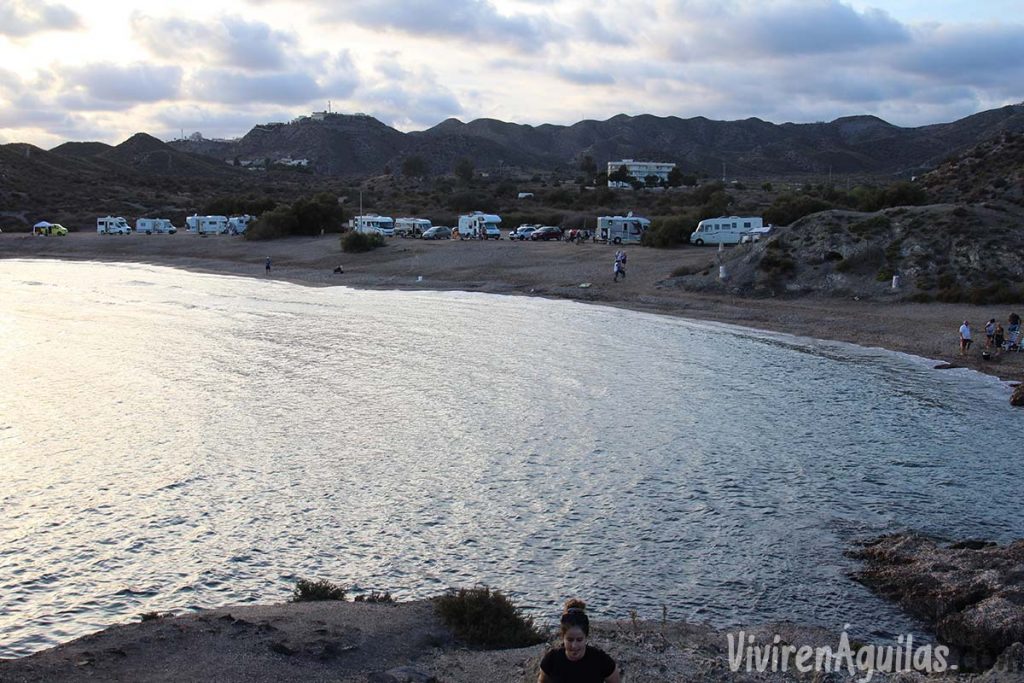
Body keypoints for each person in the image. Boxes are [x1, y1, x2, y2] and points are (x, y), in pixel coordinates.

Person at [539, 599, 620, 683]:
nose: (574, 645)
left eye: (579, 640)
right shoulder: (551, 660)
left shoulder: (601, 660)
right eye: (570, 640)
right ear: (563, 637)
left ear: (586, 637)